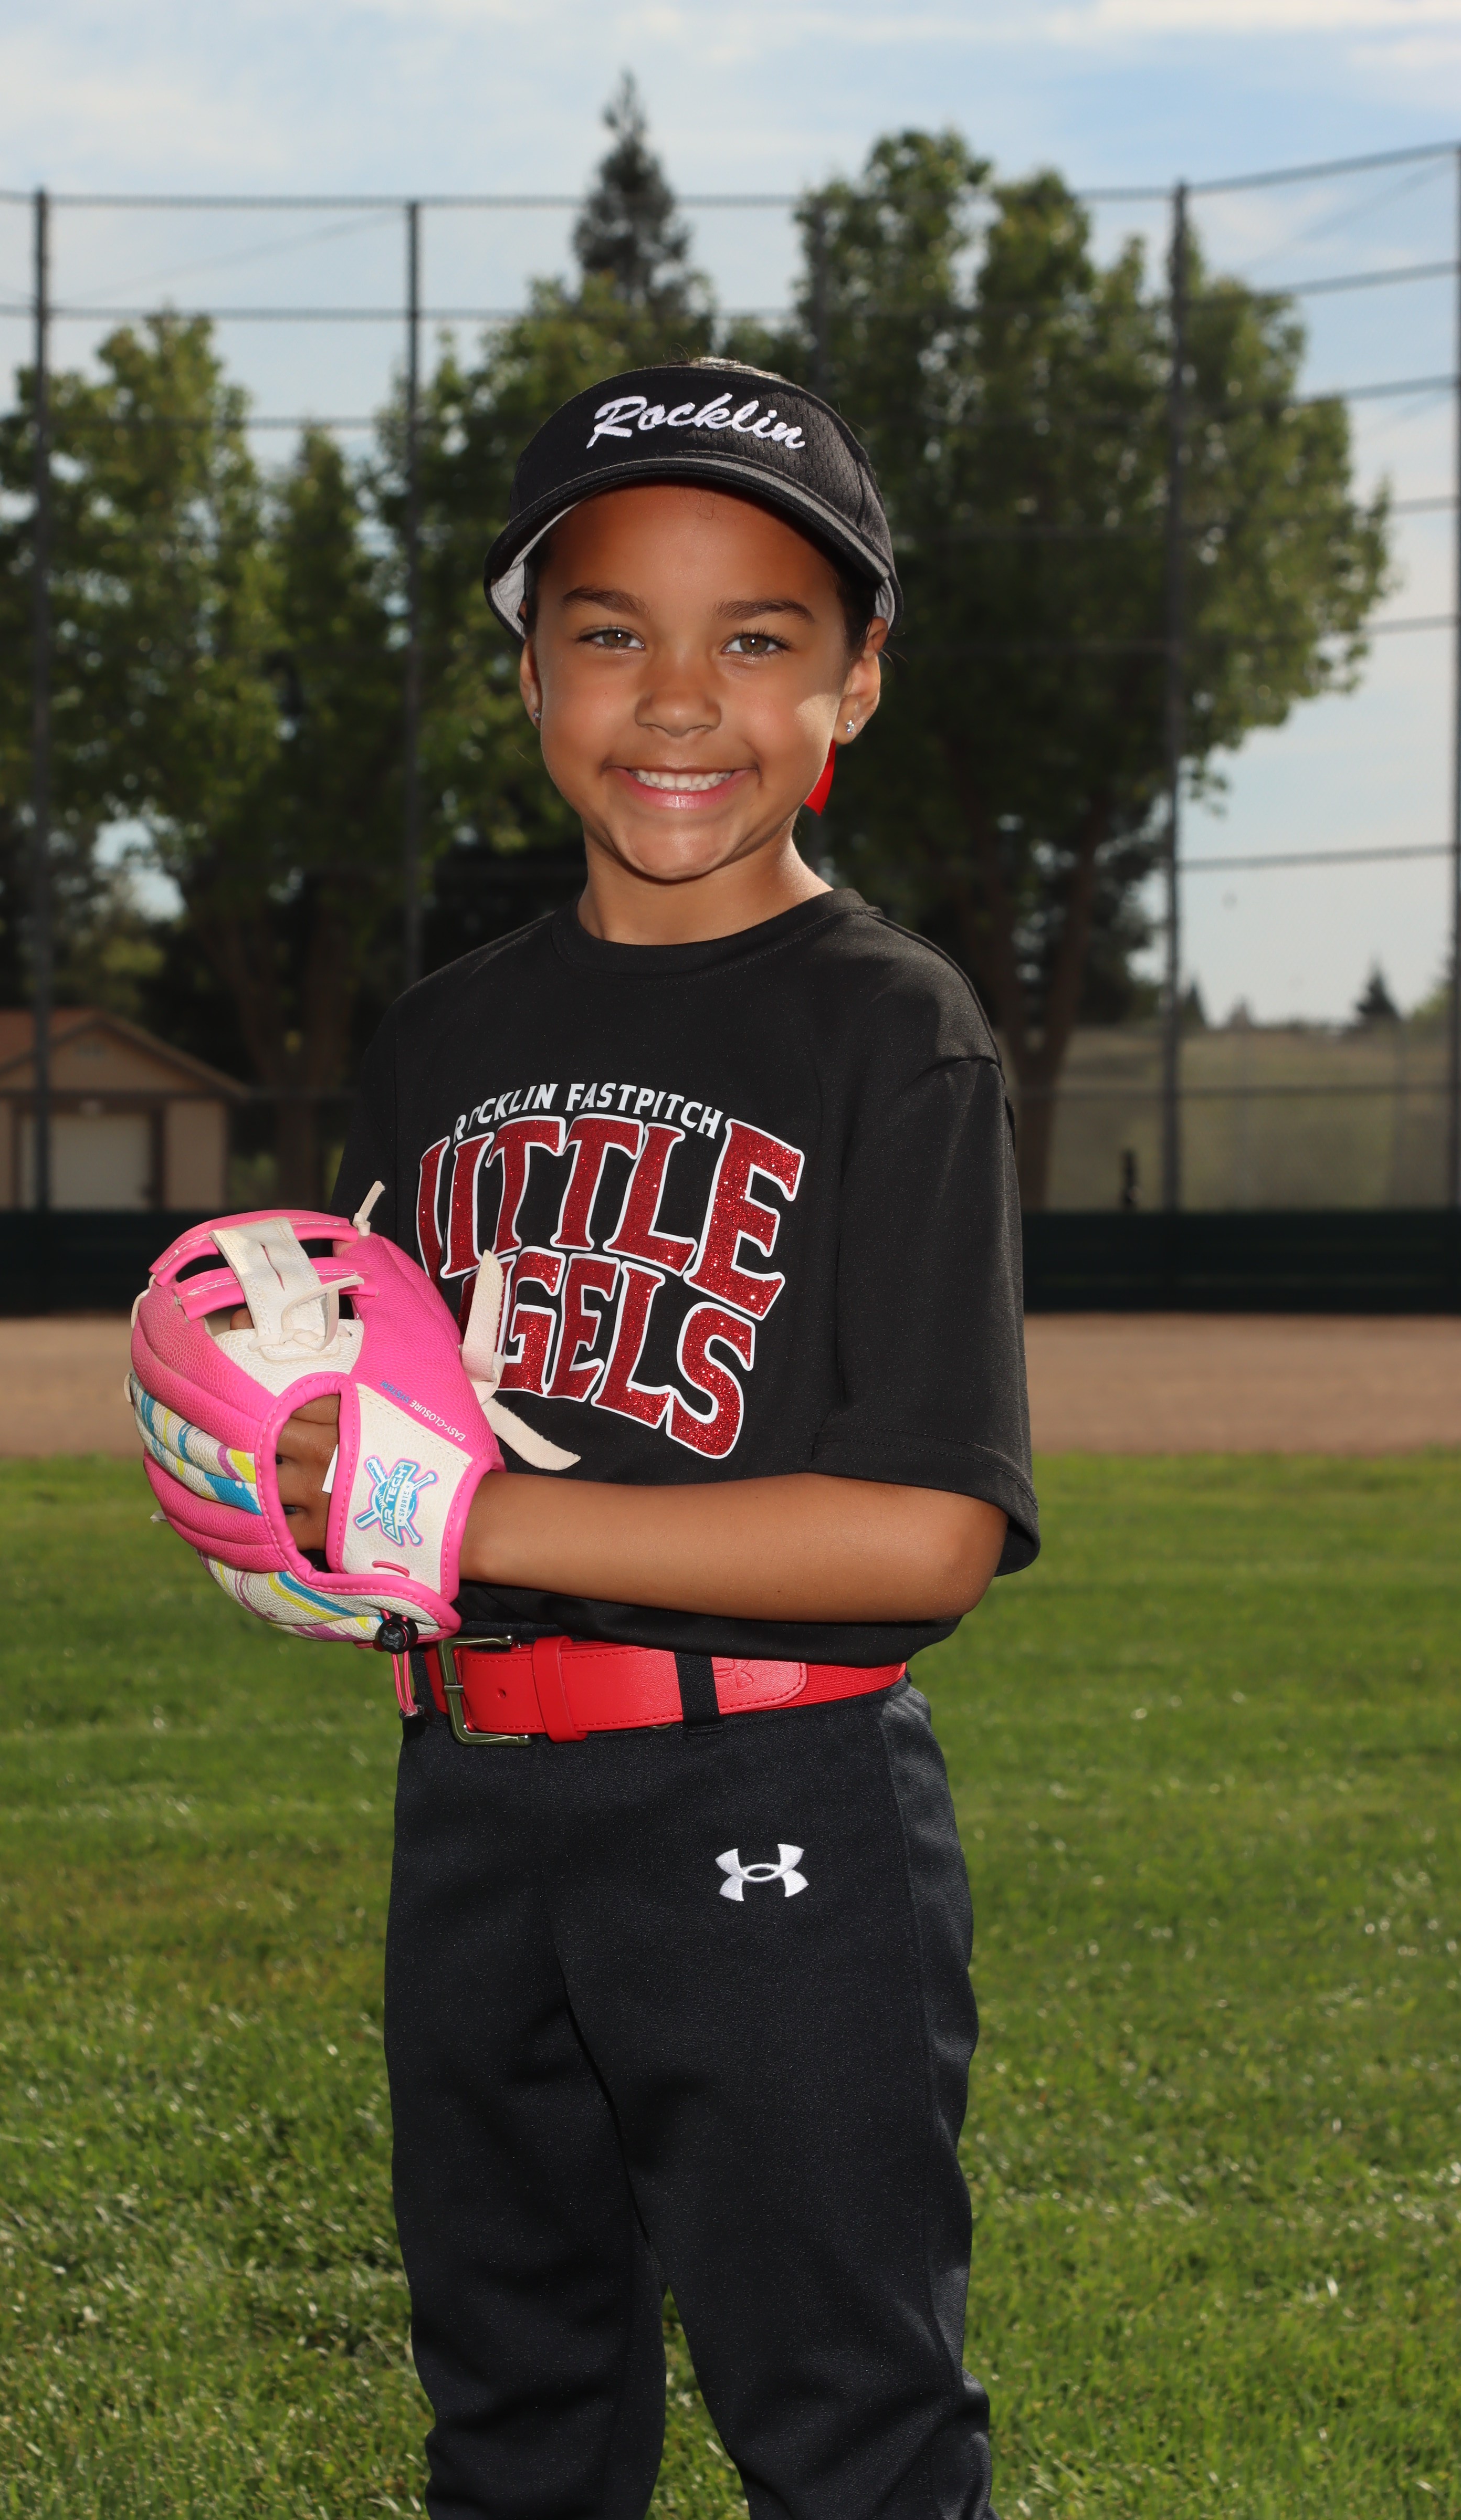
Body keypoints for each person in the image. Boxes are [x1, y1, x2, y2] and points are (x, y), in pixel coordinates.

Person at [277, 360, 1039, 2520]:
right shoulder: (441, 1042)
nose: (679, 700)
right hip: (473, 1805)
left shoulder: (891, 1028)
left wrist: (475, 1512)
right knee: (510, 2420)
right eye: (610, 631)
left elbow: (925, 1539)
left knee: (847, 2426)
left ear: (855, 682)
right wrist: (308, 1506)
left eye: (758, 639)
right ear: (530, 671)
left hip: (771, 1803)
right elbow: (389, 1445)